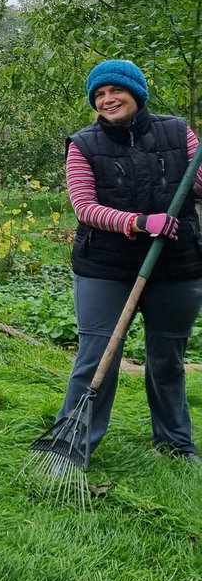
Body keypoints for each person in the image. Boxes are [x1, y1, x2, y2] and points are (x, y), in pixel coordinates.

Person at [55, 58, 202, 462]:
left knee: (167, 360)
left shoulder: (178, 132)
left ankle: (175, 444)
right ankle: (70, 448)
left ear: (136, 92)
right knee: (96, 357)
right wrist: (138, 222)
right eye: (100, 94)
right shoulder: (83, 144)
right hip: (105, 267)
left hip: (175, 264)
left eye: (115, 90)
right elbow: (85, 207)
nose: (108, 99)